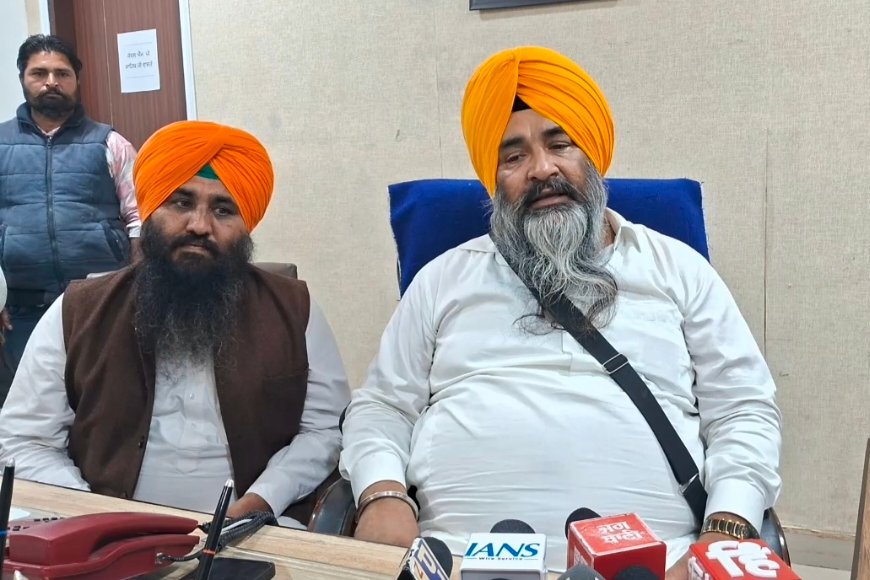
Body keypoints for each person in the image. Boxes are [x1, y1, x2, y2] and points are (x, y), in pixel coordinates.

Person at [340, 46, 782, 574]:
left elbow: (742, 409)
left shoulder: (678, 269)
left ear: (592, 155)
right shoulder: (444, 278)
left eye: (560, 144)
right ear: (494, 180)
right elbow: (384, 406)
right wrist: (382, 493)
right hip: (452, 559)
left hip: (662, 565)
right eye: (514, 157)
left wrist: (725, 529)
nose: (542, 169)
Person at [0, 120, 350, 526]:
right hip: (105, 534)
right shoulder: (78, 310)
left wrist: (261, 500)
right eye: (181, 203)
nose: (199, 225)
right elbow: (24, 439)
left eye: (223, 210)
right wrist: (96, 515)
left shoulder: (295, 309)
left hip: (253, 530)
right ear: (149, 211)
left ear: (246, 225)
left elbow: (326, 430)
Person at [0, 34, 141, 383]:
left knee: (106, 397)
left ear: (77, 80)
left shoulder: (110, 143)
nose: (51, 82)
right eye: (39, 73)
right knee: (31, 405)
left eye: (62, 73)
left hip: (100, 304)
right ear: (22, 78)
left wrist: (137, 290)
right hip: (21, 310)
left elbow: (140, 218)